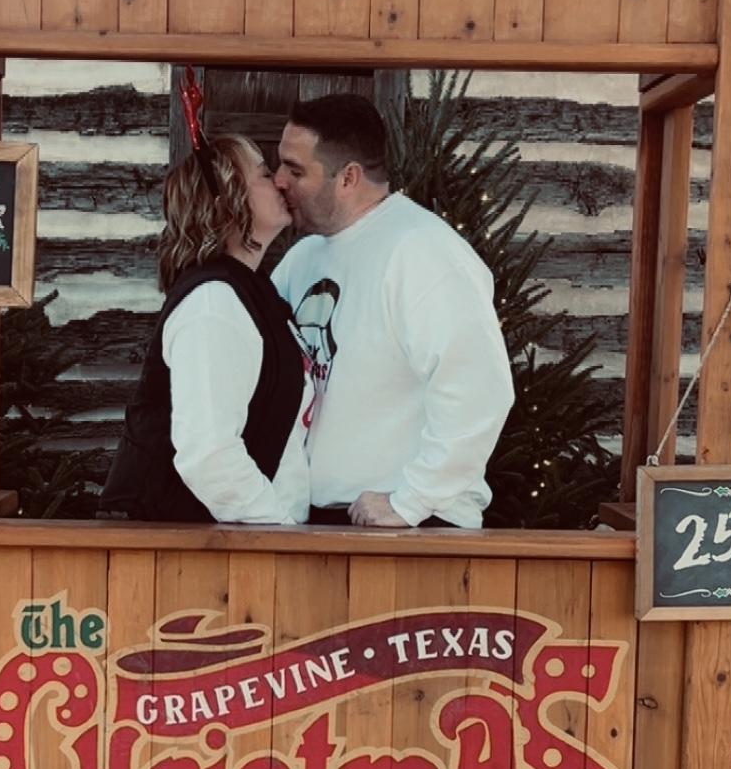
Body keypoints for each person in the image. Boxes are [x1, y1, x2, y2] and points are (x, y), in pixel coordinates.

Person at [272, 94, 514, 529]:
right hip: (321, 521)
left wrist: (411, 500)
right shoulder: (302, 258)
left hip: (409, 527)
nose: (279, 181)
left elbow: (480, 389)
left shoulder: (423, 251)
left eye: (295, 170)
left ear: (348, 177)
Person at [99, 134, 313, 524]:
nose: (281, 182)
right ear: (228, 200)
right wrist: (280, 532)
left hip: (249, 538)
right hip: (184, 545)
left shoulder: (254, 292)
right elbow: (208, 454)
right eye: (265, 174)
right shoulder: (213, 303)